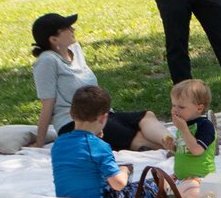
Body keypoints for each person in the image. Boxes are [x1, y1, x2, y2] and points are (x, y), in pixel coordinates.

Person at [29, 12, 171, 151]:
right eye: (67, 28)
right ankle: (179, 150)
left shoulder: (74, 48)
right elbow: (47, 104)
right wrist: (39, 142)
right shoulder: (47, 61)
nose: (73, 30)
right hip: (77, 124)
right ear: (53, 39)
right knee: (136, 135)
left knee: (147, 115)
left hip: (103, 114)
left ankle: (176, 143)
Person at [52, 86, 135, 198]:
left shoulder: (59, 143)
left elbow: (80, 165)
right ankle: (166, 184)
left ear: (70, 113)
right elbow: (118, 184)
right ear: (103, 118)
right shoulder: (98, 146)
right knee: (145, 187)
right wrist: (124, 170)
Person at [169, 78, 217, 198]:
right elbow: (185, 150)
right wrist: (172, 148)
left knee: (187, 193)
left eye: (181, 107)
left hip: (200, 177)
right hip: (181, 177)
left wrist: (184, 130)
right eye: (173, 105)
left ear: (199, 108)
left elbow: (196, 150)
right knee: (160, 186)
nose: (175, 110)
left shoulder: (205, 125)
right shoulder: (184, 125)